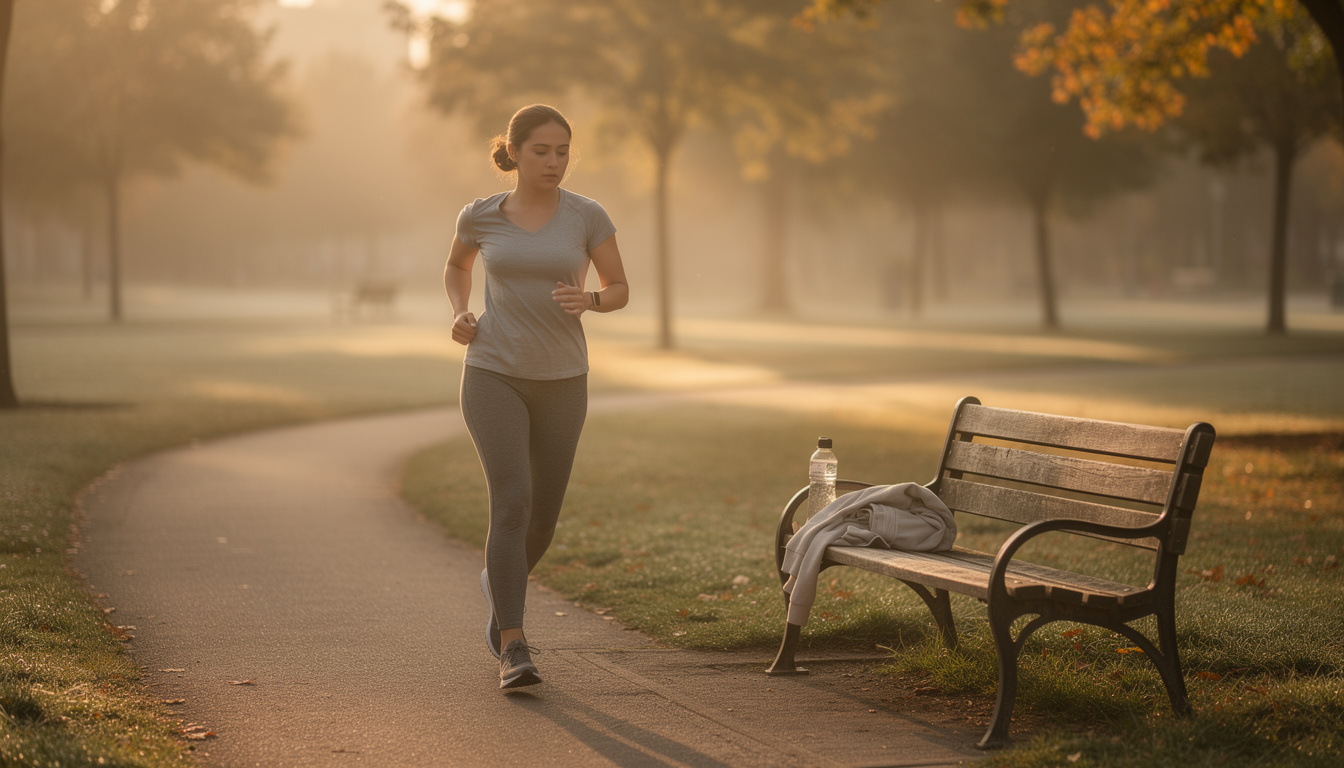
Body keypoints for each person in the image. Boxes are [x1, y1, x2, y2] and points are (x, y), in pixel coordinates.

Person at [444, 104, 630, 689]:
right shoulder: (481, 215)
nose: (554, 162)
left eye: (563, 151)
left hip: (563, 379)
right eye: (542, 151)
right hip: (493, 371)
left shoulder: (586, 215)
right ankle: (513, 645)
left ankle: (500, 597)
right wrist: (460, 311)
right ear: (515, 153)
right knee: (514, 501)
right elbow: (456, 266)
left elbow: (619, 286)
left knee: (543, 520)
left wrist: (592, 302)